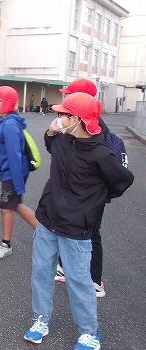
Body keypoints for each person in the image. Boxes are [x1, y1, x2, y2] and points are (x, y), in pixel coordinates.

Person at [23, 92, 133, 350]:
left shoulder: (102, 153)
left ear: (78, 120)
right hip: (48, 218)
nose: (59, 118)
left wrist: (93, 201)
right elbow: (50, 145)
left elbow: (122, 180)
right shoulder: (62, 140)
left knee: (79, 279)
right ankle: (41, 319)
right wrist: (50, 132)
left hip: (76, 227)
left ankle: (89, 332)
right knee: (41, 272)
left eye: (64, 115)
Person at [53, 78, 118, 298]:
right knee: (69, 227)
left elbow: (118, 176)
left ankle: (94, 280)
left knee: (91, 233)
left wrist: (99, 195)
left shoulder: (99, 132)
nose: (64, 97)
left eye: (68, 94)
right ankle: (66, 267)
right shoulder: (74, 125)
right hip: (73, 193)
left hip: (89, 197)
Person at [0, 86, 38, 260]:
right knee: (14, 205)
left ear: (2, 102)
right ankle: (45, 234)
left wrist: (18, 184)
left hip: (14, 173)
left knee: (7, 208)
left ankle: (6, 244)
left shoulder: (10, 125)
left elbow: (15, 156)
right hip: (8, 172)